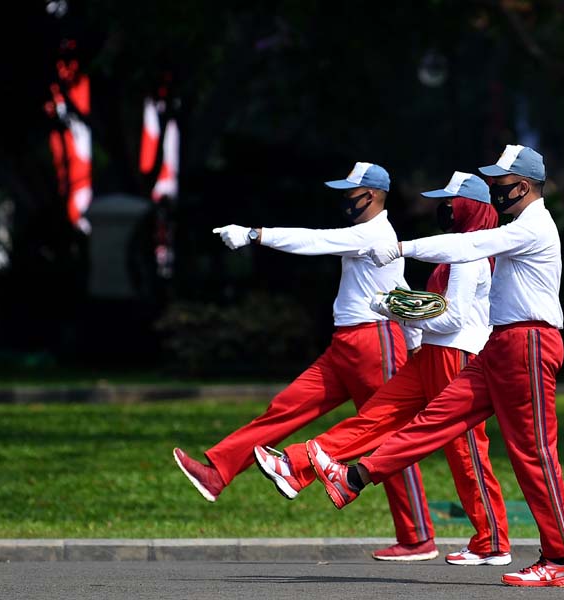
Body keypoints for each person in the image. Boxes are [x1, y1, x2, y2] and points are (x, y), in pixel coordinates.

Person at [305, 145, 564, 588]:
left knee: (534, 454)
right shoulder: (520, 224)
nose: (494, 191)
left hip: (528, 343)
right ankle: (353, 477)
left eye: (500, 184)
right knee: (435, 419)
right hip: (502, 344)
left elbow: (469, 244)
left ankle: (559, 559)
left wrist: (401, 248)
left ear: (524, 186)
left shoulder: (533, 226)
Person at [173, 162, 440, 560]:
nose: (344, 200)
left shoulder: (372, 233)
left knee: (386, 438)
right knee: (286, 407)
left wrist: (254, 235)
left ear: (371, 196)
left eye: (350, 193)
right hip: (347, 345)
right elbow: (399, 286)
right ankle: (218, 472)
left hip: (375, 343)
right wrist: (417, 339)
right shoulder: (373, 235)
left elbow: (314, 241)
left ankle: (418, 536)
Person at [255, 172, 512, 565]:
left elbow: (453, 319)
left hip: (457, 356)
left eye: (450, 202)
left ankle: (492, 541)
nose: (442, 208)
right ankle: (295, 465)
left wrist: (396, 311)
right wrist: (403, 308)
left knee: (466, 453)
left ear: (469, 208)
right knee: (374, 417)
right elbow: (436, 309)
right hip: (431, 353)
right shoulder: (455, 249)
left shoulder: (468, 253)